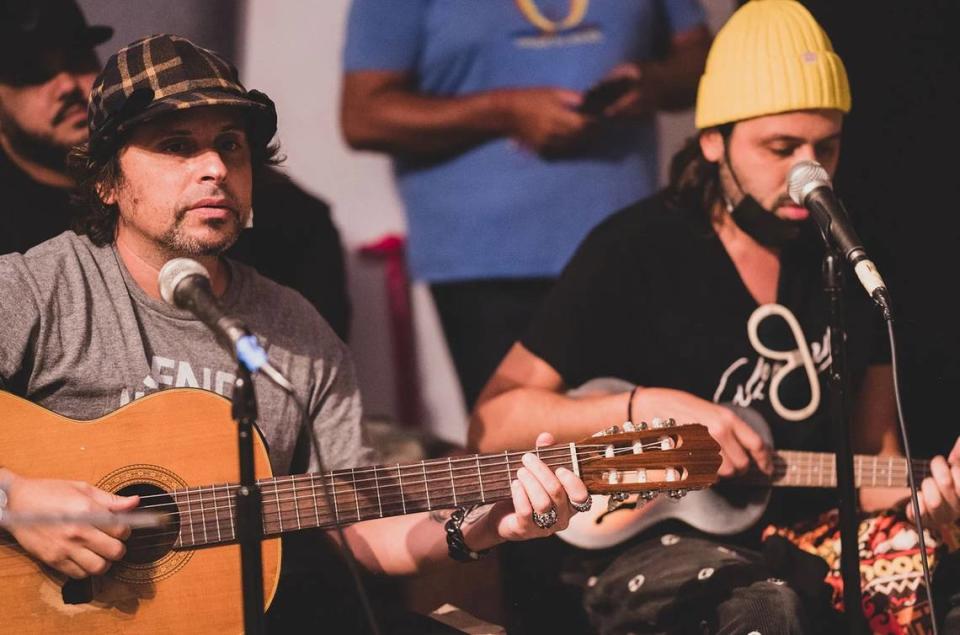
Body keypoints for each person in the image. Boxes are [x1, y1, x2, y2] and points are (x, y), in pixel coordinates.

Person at [0, 34, 590, 631]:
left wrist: (482, 527)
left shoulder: (295, 330)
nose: (215, 168)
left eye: (230, 146)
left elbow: (354, 524)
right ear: (106, 181)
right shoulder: (38, 289)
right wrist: (15, 501)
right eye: (177, 146)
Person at [470, 1, 960, 632]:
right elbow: (492, 421)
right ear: (712, 141)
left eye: (826, 147)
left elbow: (875, 460)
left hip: (809, 535)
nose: (807, 173)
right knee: (764, 605)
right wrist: (649, 409)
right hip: (645, 547)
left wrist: (936, 496)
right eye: (780, 147)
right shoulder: (637, 249)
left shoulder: (845, 253)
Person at [340, 0, 711, 409]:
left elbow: (701, 58)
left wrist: (653, 81)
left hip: (628, 246)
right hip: (485, 261)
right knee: (519, 453)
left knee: (650, 438)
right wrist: (504, 111)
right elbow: (362, 114)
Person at [0, 0, 351, 339]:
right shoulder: (24, 282)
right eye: (32, 73)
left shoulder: (273, 210)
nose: (67, 86)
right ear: (106, 185)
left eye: (78, 59)